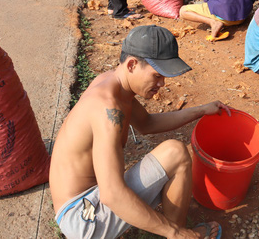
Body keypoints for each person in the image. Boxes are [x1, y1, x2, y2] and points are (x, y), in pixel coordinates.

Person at [49, 25, 226, 239]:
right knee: (176, 154)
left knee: (174, 152)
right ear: (132, 64)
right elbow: (111, 194)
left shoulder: (114, 84)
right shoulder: (107, 109)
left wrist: (201, 110)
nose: (162, 83)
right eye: (157, 75)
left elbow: (147, 124)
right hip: (82, 217)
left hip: (83, 202)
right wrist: (174, 232)